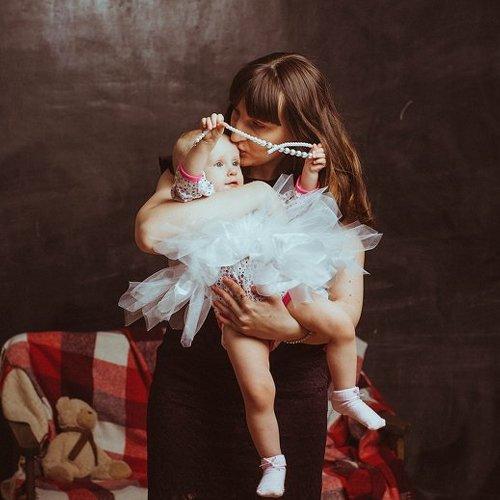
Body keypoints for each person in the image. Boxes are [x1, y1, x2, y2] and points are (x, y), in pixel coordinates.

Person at [136, 52, 381, 499]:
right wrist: (256, 197)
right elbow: (152, 232)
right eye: (236, 114)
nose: (237, 130)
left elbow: (345, 314)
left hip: (288, 392)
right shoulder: (202, 163)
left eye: (259, 125)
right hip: (193, 385)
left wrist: (284, 328)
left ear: (298, 132)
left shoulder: (327, 192)